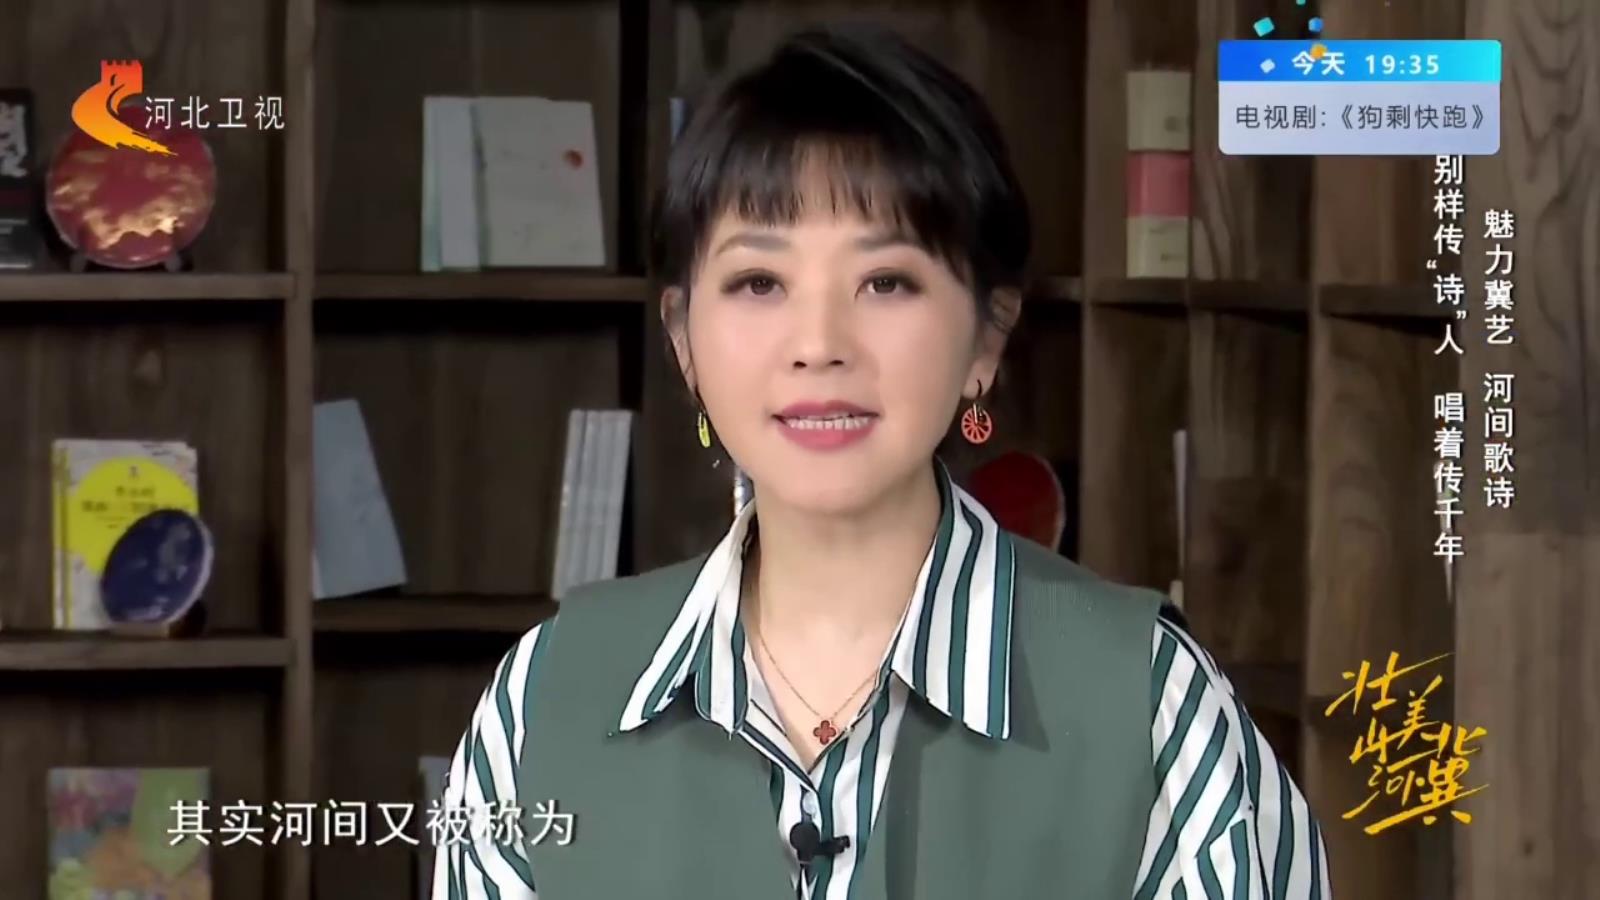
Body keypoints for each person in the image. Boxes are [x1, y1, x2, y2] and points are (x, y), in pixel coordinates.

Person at [433, 23, 1330, 900]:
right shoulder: (541, 701)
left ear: (988, 336)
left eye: (886, 282)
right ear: (683, 340)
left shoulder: (1151, 704)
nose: (818, 344)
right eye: (758, 282)